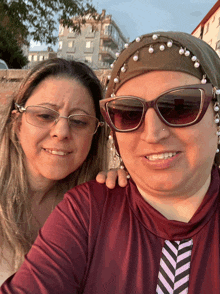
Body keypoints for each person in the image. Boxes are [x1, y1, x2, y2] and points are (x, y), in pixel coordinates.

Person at [1, 31, 220, 293]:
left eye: (180, 106)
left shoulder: (92, 198)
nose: (152, 133)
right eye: (129, 113)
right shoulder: (87, 211)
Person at [0, 58, 127, 285]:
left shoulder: (97, 209)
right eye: (45, 116)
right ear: (16, 123)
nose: (62, 132)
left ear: (94, 135)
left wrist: (125, 194)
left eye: (79, 121)